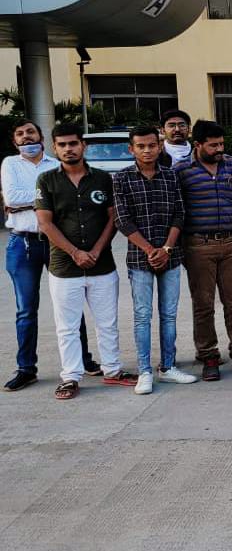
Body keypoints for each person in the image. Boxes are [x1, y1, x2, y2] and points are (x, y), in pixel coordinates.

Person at [36, 123, 134, 400]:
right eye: (62, 145)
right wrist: (75, 253)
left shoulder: (103, 179)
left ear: (83, 146)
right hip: (64, 267)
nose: (68, 149)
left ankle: (112, 370)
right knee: (67, 326)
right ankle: (70, 377)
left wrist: (96, 250)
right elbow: (45, 223)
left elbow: (113, 218)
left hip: (102, 266)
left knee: (107, 322)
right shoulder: (47, 181)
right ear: (55, 148)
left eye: (73, 143)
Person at [2, 120, 100, 391]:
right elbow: (11, 198)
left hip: (59, 243)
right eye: (20, 134)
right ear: (14, 141)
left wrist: (31, 202)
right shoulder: (10, 164)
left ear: (42, 138)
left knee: (71, 304)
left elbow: (67, 201)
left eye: (30, 132)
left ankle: (83, 360)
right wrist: (46, 199)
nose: (26, 137)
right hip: (23, 244)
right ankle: (26, 368)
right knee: (26, 309)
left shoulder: (56, 165)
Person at [113, 125, 197, 395]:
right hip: (140, 259)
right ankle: (145, 371)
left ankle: (168, 366)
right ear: (131, 149)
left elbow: (179, 214)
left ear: (160, 147)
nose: (147, 150)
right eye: (141, 146)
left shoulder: (171, 176)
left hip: (170, 257)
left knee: (169, 315)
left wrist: (167, 249)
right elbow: (122, 220)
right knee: (142, 316)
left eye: (151, 145)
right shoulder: (122, 178)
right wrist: (151, 250)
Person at [175, 120, 232, 381]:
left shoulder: (230, 164)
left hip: (229, 244)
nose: (219, 149)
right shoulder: (182, 170)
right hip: (198, 245)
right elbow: (176, 209)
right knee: (203, 305)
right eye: (213, 146)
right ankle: (208, 355)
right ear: (197, 145)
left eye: (221, 144)